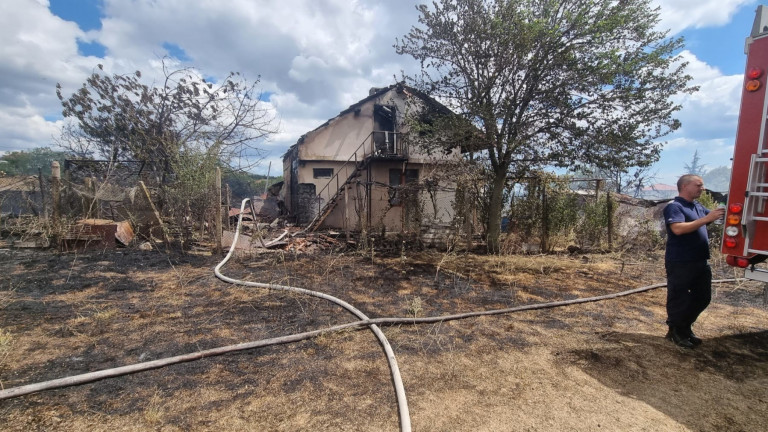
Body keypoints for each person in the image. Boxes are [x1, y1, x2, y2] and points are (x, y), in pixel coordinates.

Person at [663, 174, 725, 348]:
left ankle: (685, 327)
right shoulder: (675, 207)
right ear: (685, 187)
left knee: (703, 297)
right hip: (681, 261)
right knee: (679, 297)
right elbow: (677, 229)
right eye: (698, 185)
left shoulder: (696, 205)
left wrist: (722, 212)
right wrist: (707, 218)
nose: (702, 188)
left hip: (700, 260)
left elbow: (712, 219)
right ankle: (675, 332)